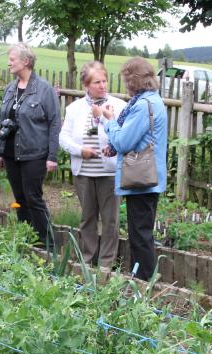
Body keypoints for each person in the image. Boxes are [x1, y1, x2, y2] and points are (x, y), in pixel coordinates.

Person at [91, 57, 167, 281]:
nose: (125, 85)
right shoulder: (154, 100)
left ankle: (144, 285)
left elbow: (124, 142)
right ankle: (141, 281)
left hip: (142, 179)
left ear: (134, 81)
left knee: (140, 236)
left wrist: (108, 120)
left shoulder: (143, 106)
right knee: (140, 233)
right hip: (149, 176)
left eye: (126, 80)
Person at [59, 62, 127, 268]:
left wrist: (113, 145)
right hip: (84, 173)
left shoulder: (119, 106)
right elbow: (63, 138)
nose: (102, 85)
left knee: (110, 220)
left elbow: (124, 136)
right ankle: (86, 261)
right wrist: (81, 151)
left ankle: (106, 264)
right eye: (97, 82)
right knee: (87, 218)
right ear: (86, 85)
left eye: (104, 81)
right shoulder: (74, 109)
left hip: (109, 173)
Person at [0, 43, 61, 247]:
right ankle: (28, 239)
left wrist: (52, 156)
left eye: (12, 59)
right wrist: (0, 152)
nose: (9, 63)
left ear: (26, 61)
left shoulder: (43, 89)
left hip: (34, 154)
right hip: (11, 153)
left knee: (33, 197)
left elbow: (54, 122)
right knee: (20, 198)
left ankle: (48, 243)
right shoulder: (10, 89)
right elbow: (2, 120)